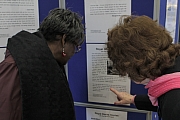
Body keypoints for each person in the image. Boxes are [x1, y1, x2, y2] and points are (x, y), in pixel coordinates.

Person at [0, 8, 84, 120]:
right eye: (75, 46)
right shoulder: (15, 66)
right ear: (63, 40)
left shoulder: (47, 62)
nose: (74, 52)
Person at [106, 15, 180, 120]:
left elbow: (170, 104)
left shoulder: (174, 105)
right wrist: (133, 99)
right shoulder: (172, 73)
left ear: (136, 65)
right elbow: (162, 99)